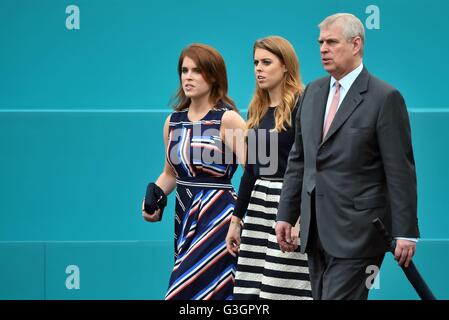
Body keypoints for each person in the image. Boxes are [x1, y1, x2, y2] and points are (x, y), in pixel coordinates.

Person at [275, 13, 420, 300]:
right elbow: (299, 160)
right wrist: (286, 214)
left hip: (360, 234)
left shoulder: (385, 98)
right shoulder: (312, 93)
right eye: (320, 42)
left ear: (356, 45)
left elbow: (400, 170)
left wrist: (406, 231)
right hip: (315, 232)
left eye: (331, 42)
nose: (323, 49)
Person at [142, 43, 246, 300]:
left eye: (196, 70)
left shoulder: (228, 119)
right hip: (185, 214)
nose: (188, 76)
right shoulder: (172, 122)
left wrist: (241, 218)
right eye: (184, 70)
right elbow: (170, 173)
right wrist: (153, 196)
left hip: (219, 216)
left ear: (213, 76)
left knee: (188, 290)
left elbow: (255, 172)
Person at [226, 36, 312, 300]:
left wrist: (300, 216)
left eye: (266, 62)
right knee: (250, 293)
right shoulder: (258, 109)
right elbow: (251, 170)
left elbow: (311, 165)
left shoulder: (303, 103)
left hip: (287, 205)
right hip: (258, 208)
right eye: (255, 63)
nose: (258, 69)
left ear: (285, 65)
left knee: (281, 290)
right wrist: (236, 220)